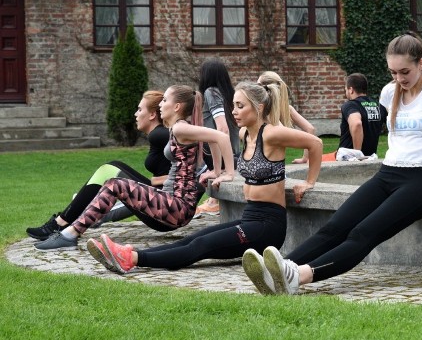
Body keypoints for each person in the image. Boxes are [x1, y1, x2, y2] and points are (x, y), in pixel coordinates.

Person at [241, 32, 422, 295]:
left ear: (421, 63)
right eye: (393, 72)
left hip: (421, 182)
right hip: (387, 175)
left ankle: (298, 277)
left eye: (405, 71)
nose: (399, 79)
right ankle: (280, 270)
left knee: (363, 234)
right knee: (335, 226)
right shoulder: (389, 93)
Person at [88, 81, 323, 274]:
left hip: (268, 226)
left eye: (240, 106)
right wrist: (219, 173)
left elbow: (315, 142)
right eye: (233, 106)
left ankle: (131, 259)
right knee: (193, 238)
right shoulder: (244, 134)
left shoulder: (272, 134)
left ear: (259, 108)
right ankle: (127, 253)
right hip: (250, 216)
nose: (234, 112)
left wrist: (309, 181)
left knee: (201, 246)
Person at [35, 85, 235, 250]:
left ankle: (69, 233)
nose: (160, 105)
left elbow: (221, 137)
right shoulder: (179, 128)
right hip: (171, 204)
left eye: (165, 100)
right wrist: (216, 171)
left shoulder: (181, 127)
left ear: (177, 106)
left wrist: (227, 172)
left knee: (115, 184)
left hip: (176, 207)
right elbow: (214, 138)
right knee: (114, 181)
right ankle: (70, 230)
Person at [26, 91, 172, 240]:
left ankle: (60, 223)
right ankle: (66, 221)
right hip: (160, 206)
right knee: (113, 165)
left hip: (162, 214)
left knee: (108, 170)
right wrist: (164, 179)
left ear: (153, 115)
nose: (135, 114)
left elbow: (190, 143)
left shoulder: (159, 134)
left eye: (140, 109)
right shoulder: (158, 135)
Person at [194, 58, 241, 216]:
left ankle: (214, 203)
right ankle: (213, 201)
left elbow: (222, 129)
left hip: (223, 154)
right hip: (231, 152)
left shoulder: (211, 92)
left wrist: (225, 170)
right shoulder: (228, 94)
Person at [257, 70, 318, 164]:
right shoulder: (287, 109)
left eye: (257, 85)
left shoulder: (261, 111)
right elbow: (310, 129)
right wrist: (305, 158)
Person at [325, 72, 387, 161]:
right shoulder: (378, 106)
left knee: (312, 161)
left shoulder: (351, 105)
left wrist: (356, 154)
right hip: (370, 157)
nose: (346, 92)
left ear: (351, 89)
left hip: (348, 159)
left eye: (346, 89)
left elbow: (356, 123)